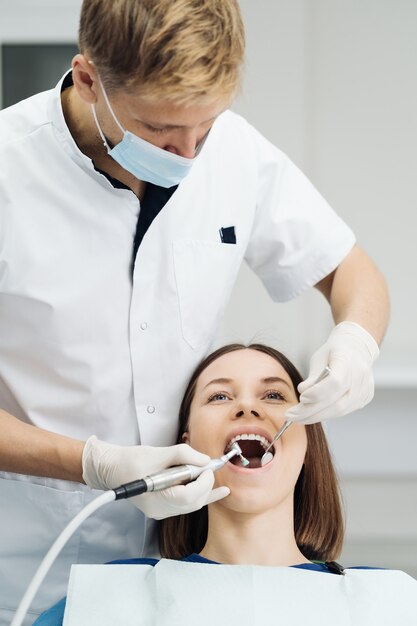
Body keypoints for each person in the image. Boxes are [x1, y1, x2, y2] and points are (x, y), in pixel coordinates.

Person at [0, 0, 389, 622]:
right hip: (23, 556)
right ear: (87, 78)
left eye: (205, 127)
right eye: (159, 130)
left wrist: (356, 344)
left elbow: (350, 270)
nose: (187, 155)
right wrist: (94, 464)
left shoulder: (234, 152)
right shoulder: (7, 172)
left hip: (177, 560)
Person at [34, 344, 416, 625]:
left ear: (308, 446)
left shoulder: (394, 604)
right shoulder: (98, 605)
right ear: (185, 445)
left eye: (274, 395)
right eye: (219, 396)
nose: (247, 408)